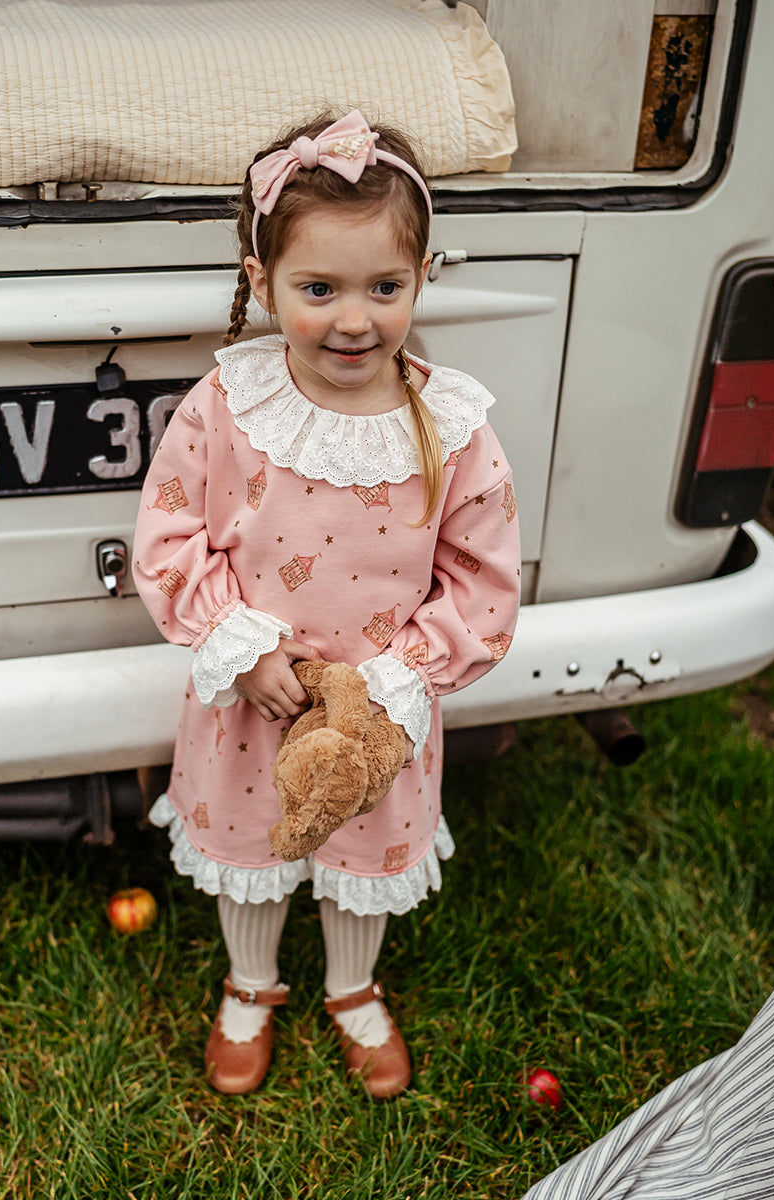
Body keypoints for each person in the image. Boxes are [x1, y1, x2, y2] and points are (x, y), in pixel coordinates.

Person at [132, 110, 521, 1099]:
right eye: (319, 289)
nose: (355, 320)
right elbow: (170, 539)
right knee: (251, 840)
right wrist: (242, 649)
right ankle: (251, 982)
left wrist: (397, 684)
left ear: (422, 274)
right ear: (262, 284)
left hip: (378, 711)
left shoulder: (451, 428)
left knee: (363, 846)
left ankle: (352, 987)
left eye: (384, 287)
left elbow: (481, 580)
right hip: (252, 699)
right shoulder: (225, 409)